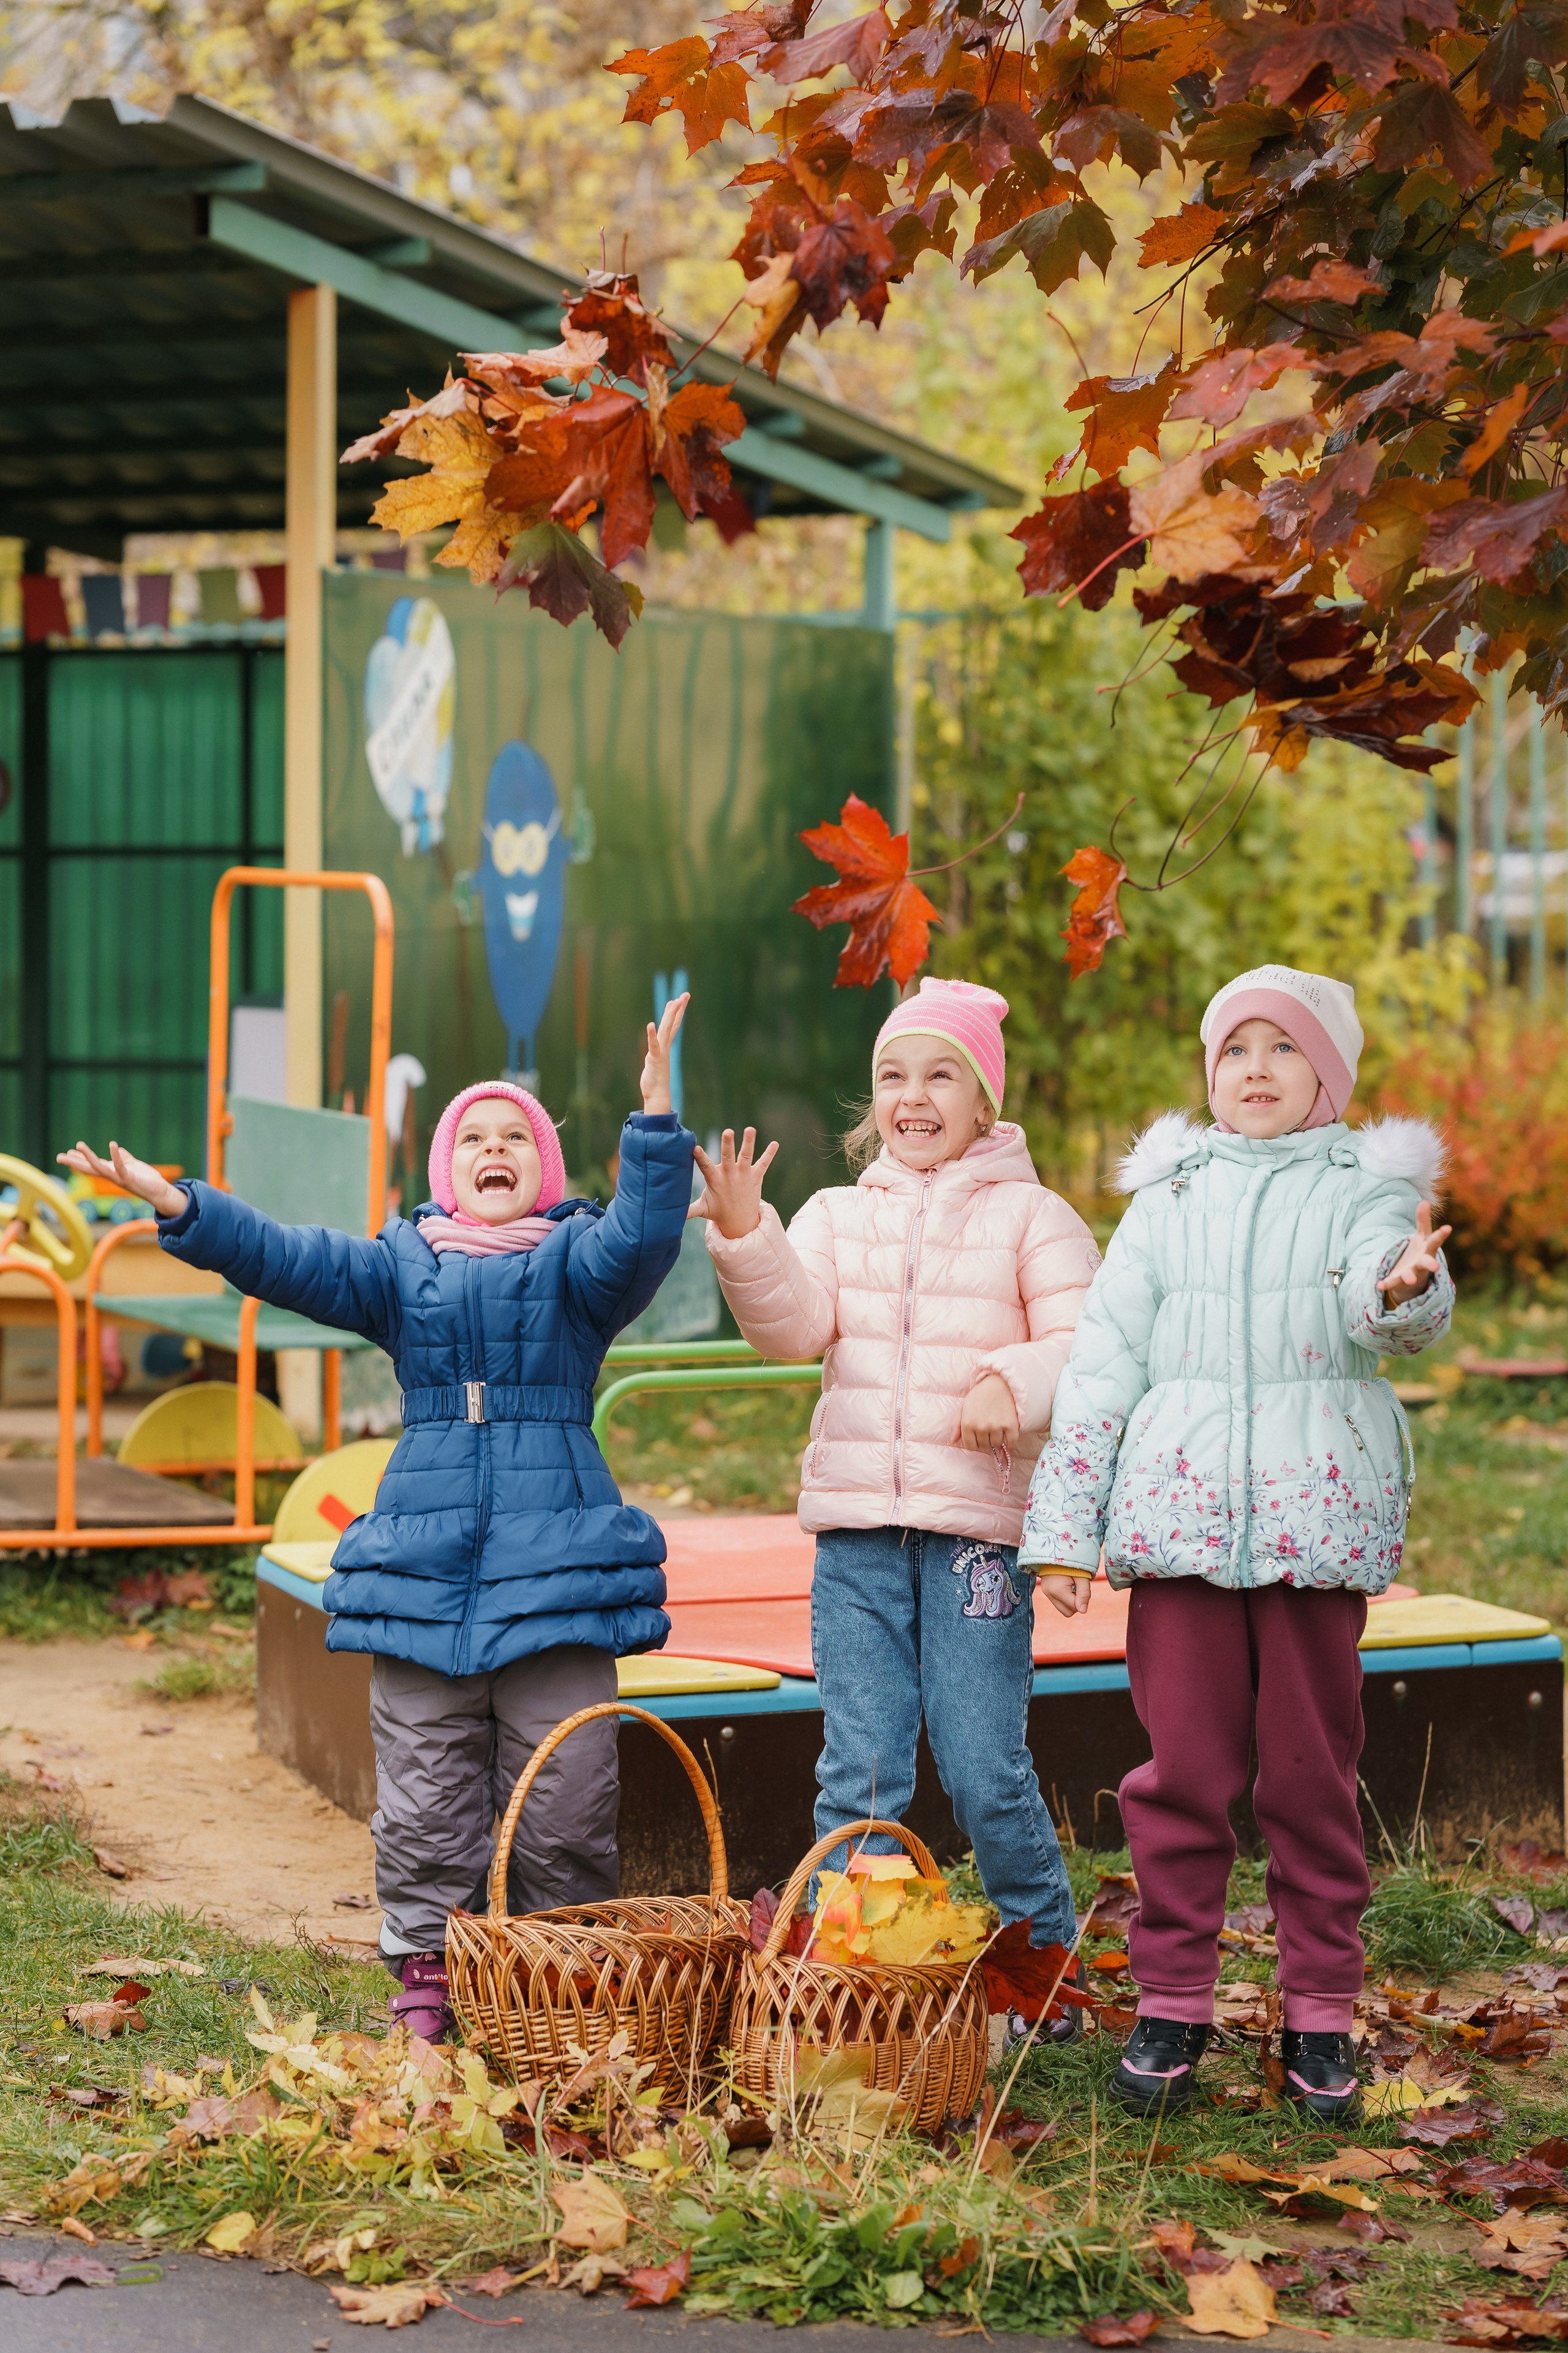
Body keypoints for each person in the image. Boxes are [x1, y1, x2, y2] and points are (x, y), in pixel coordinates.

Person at [59, 996, 696, 2042]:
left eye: (515, 1139)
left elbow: (642, 1236)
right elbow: (284, 1256)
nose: (496, 1149)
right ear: (447, 1172)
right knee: (427, 1786)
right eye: (474, 1138)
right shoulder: (401, 1269)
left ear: (541, 1167)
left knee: (569, 1789)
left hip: (560, 1567)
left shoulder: (579, 1269)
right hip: (424, 1569)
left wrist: (655, 1125)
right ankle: (430, 1978)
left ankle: (560, 1968)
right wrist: (182, 1204)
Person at [1021, 965, 1454, 2122]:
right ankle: (1173, 1999)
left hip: (1314, 1527)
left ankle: (1319, 2013)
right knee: (1184, 1775)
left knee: (1311, 1777)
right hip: (1180, 1524)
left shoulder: (1364, 1189)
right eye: (1235, 1050)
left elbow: (1382, 1290)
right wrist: (1065, 1527)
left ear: (1329, 1074)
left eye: (1282, 1049)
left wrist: (1408, 1284)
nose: (1255, 1070)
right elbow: (1106, 1359)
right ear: (1210, 1073)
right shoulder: (1169, 1197)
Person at [693, 976, 1102, 2012]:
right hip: (861, 1538)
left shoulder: (1033, 1216)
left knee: (982, 1768)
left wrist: (1015, 1379)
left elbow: (1085, 1346)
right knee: (861, 1771)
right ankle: (853, 1985)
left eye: (940, 1073)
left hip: (974, 1540)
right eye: (892, 1074)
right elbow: (792, 1325)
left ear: (983, 1101)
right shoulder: (836, 1213)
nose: (912, 1095)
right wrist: (748, 1238)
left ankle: (1042, 1971)